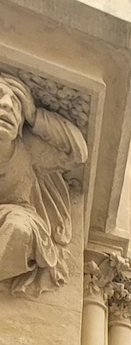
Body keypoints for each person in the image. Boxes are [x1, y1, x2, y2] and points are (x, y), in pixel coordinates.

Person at [0, 73, 87, 297]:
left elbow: (77, 152)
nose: (7, 105)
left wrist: (34, 115)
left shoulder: (28, 149)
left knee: (18, 227)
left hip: (18, 217)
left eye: (16, 103)